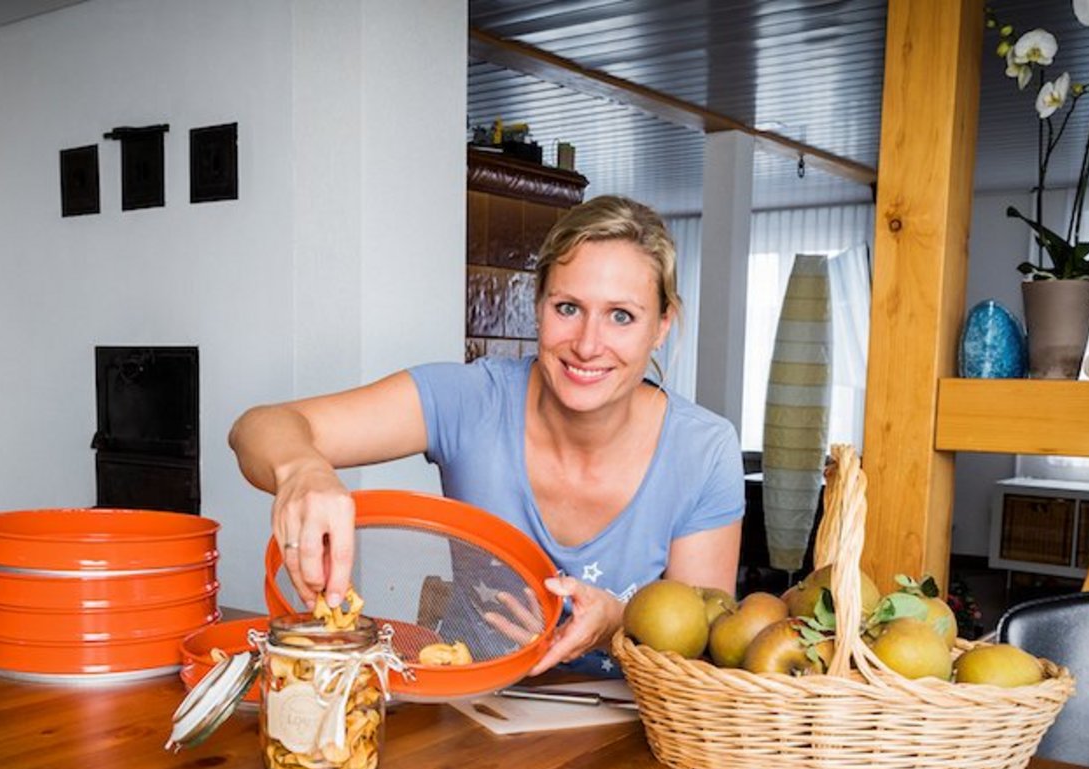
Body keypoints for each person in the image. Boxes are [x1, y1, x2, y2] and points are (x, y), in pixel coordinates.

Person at [229, 195, 743, 675]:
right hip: (466, 713)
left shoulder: (703, 451)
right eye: (568, 308)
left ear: (662, 326)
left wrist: (615, 624)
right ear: (538, 304)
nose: (588, 344)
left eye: (621, 317)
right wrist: (302, 469)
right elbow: (256, 428)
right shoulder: (471, 401)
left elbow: (703, 653)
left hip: (631, 745)